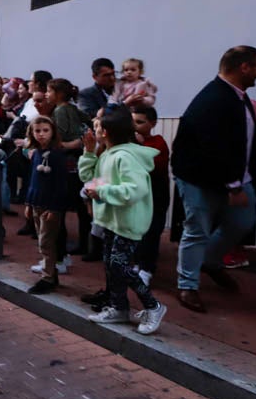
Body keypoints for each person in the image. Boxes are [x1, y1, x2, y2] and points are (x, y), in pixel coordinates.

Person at [171, 46, 256, 313]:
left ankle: (210, 262)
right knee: (197, 230)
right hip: (201, 179)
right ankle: (187, 285)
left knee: (242, 222)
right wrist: (234, 185)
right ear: (243, 67)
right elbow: (213, 147)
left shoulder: (239, 96)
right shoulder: (214, 98)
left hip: (235, 177)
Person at [80, 106, 168, 335]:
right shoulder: (107, 153)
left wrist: (103, 192)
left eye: (97, 125)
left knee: (119, 266)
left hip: (128, 222)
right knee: (111, 265)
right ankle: (119, 308)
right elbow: (89, 178)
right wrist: (89, 153)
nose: (93, 129)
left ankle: (154, 306)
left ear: (106, 132)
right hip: (111, 220)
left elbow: (134, 190)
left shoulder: (125, 157)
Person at [48, 78, 98, 263]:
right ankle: (86, 242)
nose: (47, 94)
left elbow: (59, 136)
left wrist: (65, 144)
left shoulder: (60, 110)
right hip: (78, 158)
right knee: (82, 205)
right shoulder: (72, 108)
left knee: (67, 203)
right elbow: (89, 122)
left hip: (67, 160)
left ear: (58, 93)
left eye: (49, 91)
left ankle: (76, 244)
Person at [23, 116, 71, 294]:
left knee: (46, 242)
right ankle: (51, 273)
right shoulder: (36, 154)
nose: (41, 134)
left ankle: (48, 277)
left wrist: (55, 208)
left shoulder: (57, 155)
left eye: (45, 130)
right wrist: (28, 203)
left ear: (52, 132)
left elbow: (61, 184)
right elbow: (32, 181)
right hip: (37, 202)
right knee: (43, 240)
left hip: (50, 205)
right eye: (37, 131)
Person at [131, 106, 170, 287]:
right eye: (133, 122)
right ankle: (137, 263)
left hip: (155, 193)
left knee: (152, 231)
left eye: (140, 122)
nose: (136, 126)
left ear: (152, 123)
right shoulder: (129, 142)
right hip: (137, 194)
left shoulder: (158, 142)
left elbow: (153, 166)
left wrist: (140, 145)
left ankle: (147, 268)